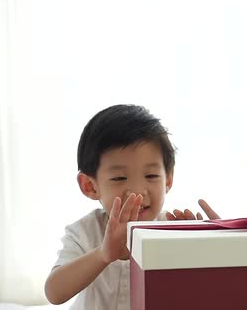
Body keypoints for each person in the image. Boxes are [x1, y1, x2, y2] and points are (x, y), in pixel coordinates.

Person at [45, 104, 178, 309]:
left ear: (168, 179)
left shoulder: (174, 229)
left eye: (151, 176)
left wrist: (196, 247)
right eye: (119, 178)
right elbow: (54, 293)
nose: (137, 191)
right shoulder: (85, 232)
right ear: (90, 186)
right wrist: (103, 254)